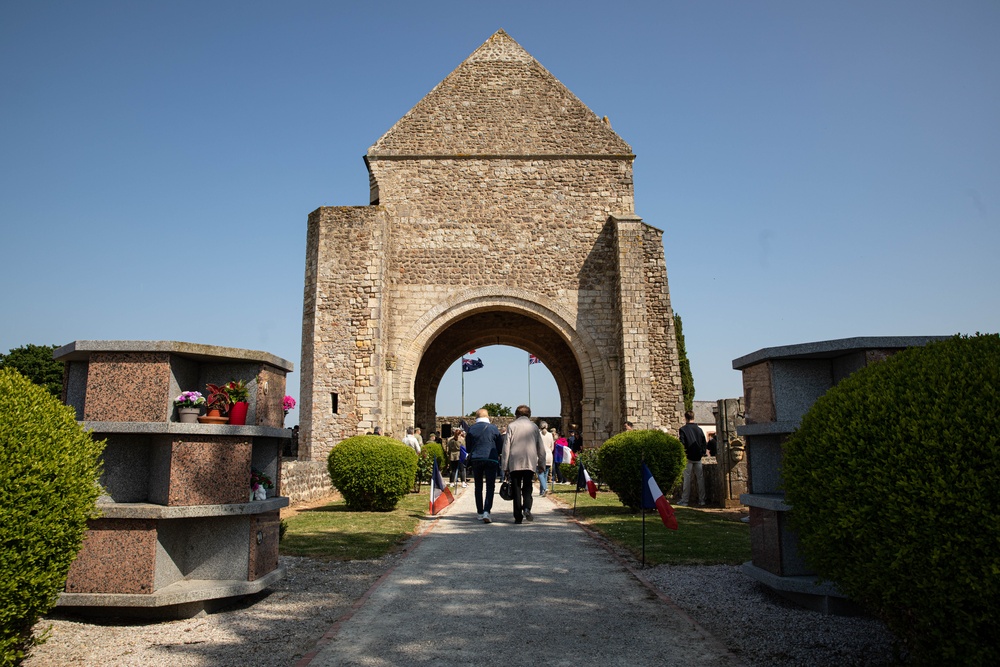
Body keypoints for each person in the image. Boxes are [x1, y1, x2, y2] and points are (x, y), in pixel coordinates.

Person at [502, 405, 547, 524]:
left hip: (515, 462)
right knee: (527, 487)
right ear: (529, 415)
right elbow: (541, 448)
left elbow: (506, 447)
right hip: (529, 462)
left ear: (516, 415)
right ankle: (527, 507)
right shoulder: (534, 427)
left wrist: (505, 466)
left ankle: (518, 516)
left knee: (516, 488)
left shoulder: (511, 426)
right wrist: (541, 463)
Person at [465, 409, 503, 523]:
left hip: (477, 458)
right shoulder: (494, 428)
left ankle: (480, 512)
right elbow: (499, 446)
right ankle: (487, 510)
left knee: (478, 486)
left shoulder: (471, 429)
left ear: (476, 417)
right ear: (488, 417)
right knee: (490, 486)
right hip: (491, 458)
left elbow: (468, 448)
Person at [678, 410, 707, 506]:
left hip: (688, 456)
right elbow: (704, 442)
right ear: (693, 417)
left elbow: (682, 443)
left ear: (685, 418)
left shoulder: (683, 429)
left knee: (687, 478)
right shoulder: (699, 429)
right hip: (698, 457)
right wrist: (702, 453)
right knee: (700, 478)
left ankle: (685, 500)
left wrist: (683, 453)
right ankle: (702, 500)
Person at [538, 421, 554, 496]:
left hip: (540, 455)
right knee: (545, 474)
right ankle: (542, 491)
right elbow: (552, 447)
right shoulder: (550, 435)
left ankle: (545, 488)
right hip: (549, 455)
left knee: (540, 473)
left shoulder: (538, 434)